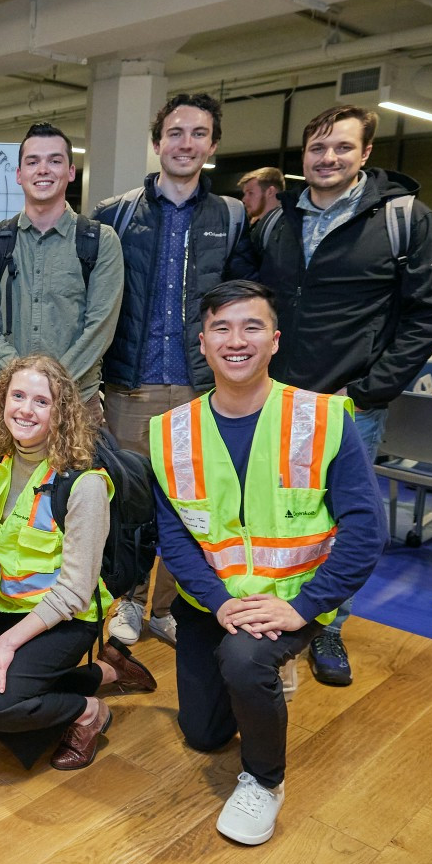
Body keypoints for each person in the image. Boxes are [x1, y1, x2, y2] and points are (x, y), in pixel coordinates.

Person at [150, 279, 384, 845]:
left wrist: (302, 609)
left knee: (246, 657)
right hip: (214, 601)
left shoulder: (324, 419)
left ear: (275, 341)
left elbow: (367, 531)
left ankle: (264, 781)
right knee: (203, 735)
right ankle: (258, 680)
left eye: (252, 327)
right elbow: (174, 537)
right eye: (221, 328)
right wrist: (221, 601)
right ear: (202, 344)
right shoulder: (168, 431)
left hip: (292, 599)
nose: (237, 340)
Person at [231, 103, 432, 687]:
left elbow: (429, 314)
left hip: (350, 404)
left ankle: (328, 623)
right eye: (318, 149)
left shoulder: (404, 219)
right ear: (303, 157)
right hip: (273, 399)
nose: (328, 159)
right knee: (273, 512)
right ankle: (271, 611)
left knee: (343, 520)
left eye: (342, 148)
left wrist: (372, 387)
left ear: (366, 153)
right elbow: (249, 303)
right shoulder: (278, 222)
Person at [92, 93, 246, 649]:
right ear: (157, 143)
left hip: (200, 386)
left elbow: (241, 301)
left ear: (212, 145)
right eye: (175, 133)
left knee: (190, 505)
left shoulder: (230, 216)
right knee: (131, 500)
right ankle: (130, 600)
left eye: (198, 134)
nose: (186, 144)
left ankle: (167, 606)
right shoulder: (116, 214)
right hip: (130, 383)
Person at [0, 354, 157, 770]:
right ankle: (107, 672)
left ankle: (90, 714)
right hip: (9, 609)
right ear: (1, 403)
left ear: (61, 412)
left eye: (41, 401)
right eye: (17, 396)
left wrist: (5, 645)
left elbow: (73, 591)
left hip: (66, 619)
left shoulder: (82, 483)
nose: (25, 410)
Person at [0, 122, 123, 430]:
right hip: (0, 402)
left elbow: (99, 329)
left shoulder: (100, 240)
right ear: (19, 174)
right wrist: (25, 386)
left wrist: (49, 387)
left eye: (55, 161)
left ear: (71, 172)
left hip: (76, 401)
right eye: (33, 162)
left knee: (79, 480)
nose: (43, 170)